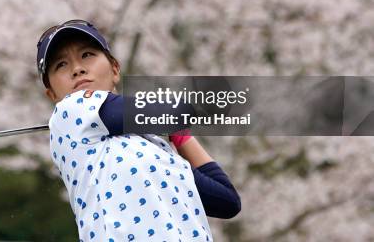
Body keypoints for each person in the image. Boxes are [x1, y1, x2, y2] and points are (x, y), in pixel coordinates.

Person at [38, 19, 241, 241]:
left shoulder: (155, 147)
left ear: (115, 69)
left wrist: (181, 138)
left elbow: (227, 201)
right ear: (52, 95)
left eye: (87, 54)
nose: (77, 69)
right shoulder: (71, 110)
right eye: (61, 65)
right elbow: (174, 111)